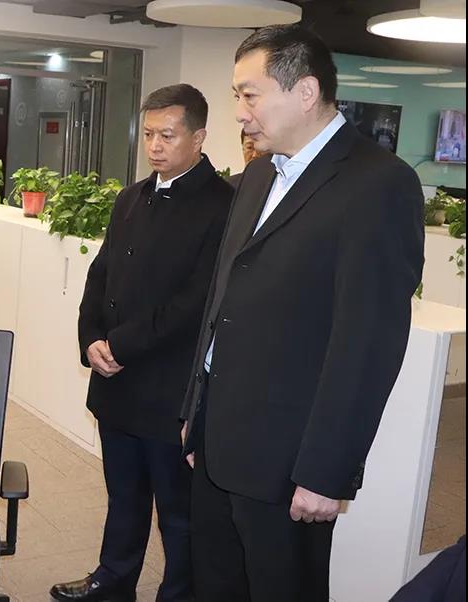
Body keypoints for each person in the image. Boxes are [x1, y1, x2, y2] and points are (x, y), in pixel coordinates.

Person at [179, 25, 424, 601]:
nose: (239, 112)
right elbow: (222, 298)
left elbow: (368, 344)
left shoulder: (379, 184)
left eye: (249, 94)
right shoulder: (259, 173)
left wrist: (325, 470)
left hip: (288, 460)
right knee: (214, 584)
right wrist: (196, 409)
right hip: (217, 440)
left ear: (306, 91)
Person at [50, 84, 232, 602]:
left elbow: (195, 302)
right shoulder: (131, 197)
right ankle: (113, 580)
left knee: (177, 512)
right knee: (123, 496)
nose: (154, 145)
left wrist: (120, 346)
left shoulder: (223, 206)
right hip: (116, 381)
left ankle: (178, 594)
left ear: (199, 137)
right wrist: (91, 338)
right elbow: (100, 274)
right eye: (149, 134)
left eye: (167, 135)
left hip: (169, 388)